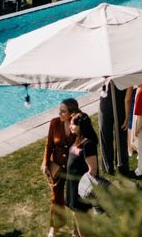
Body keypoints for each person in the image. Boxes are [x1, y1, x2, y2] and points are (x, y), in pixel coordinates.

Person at [42, 98, 79, 236]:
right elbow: (49, 145)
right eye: (59, 111)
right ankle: (55, 227)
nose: (60, 114)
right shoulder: (54, 123)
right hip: (56, 167)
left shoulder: (78, 123)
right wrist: (46, 163)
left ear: (72, 113)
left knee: (75, 198)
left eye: (63, 111)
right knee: (55, 197)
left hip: (73, 168)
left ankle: (77, 229)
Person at [66, 112, 99, 237]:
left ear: (80, 126)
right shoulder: (78, 138)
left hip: (81, 189)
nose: (70, 126)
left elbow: (93, 170)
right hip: (72, 185)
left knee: (83, 222)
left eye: (72, 124)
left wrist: (83, 188)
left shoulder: (88, 144)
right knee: (76, 215)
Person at [98, 81, 131, 177]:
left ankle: (107, 167)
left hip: (104, 103)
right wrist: (127, 117)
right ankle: (122, 166)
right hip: (120, 105)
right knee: (121, 136)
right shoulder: (127, 72)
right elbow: (127, 99)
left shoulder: (105, 73)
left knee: (105, 136)